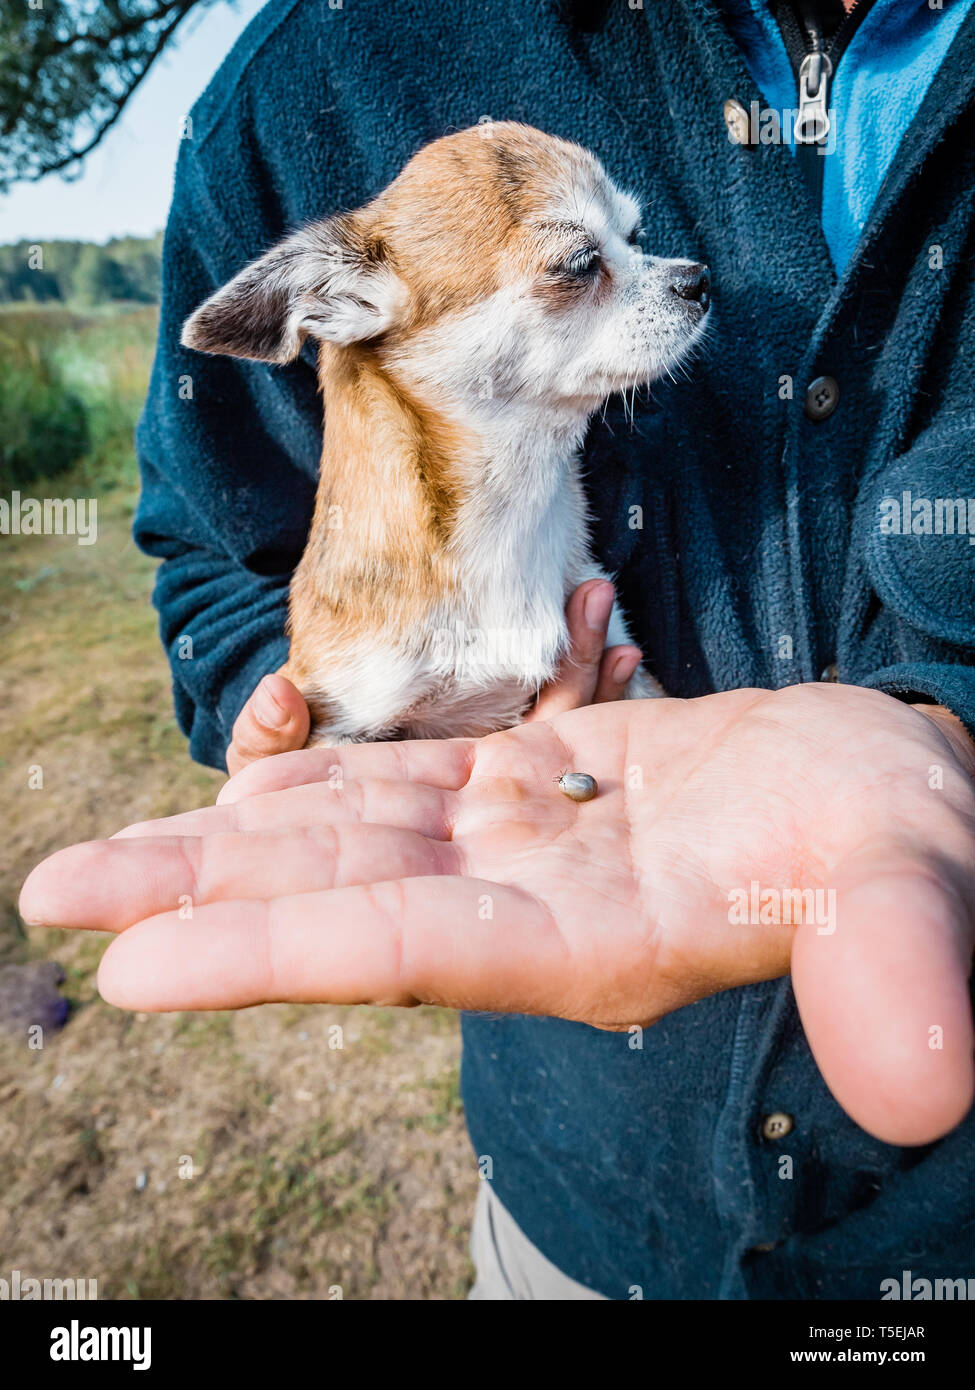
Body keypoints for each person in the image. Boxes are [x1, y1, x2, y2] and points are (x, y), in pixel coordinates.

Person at [21, 0, 975, 1298]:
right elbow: (209, 553)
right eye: (579, 269)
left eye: (621, 253)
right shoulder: (329, 69)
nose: (666, 282)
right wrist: (314, 705)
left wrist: (946, 720)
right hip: (579, 1198)